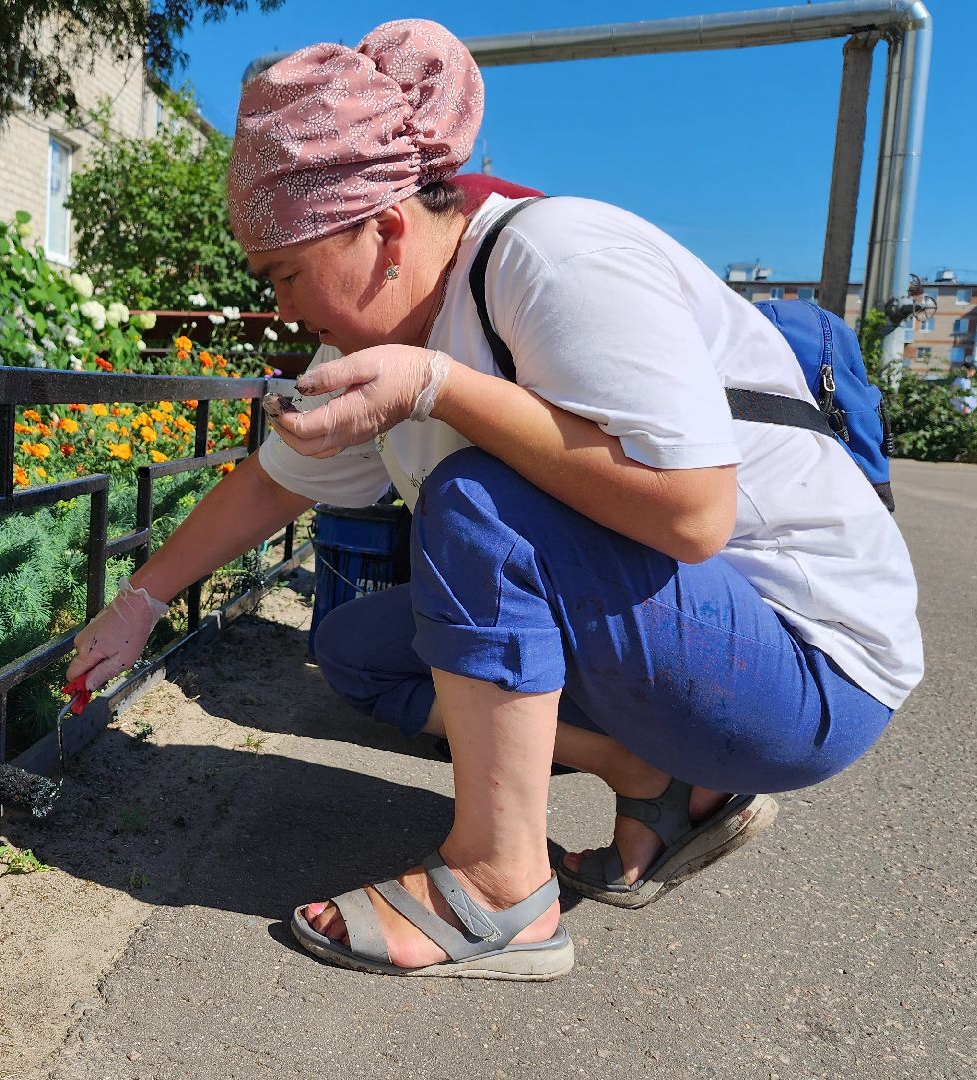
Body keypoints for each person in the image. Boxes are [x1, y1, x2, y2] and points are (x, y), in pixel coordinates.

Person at [65, 19, 922, 981]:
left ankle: (500, 889)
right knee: (355, 650)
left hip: (809, 668)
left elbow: (694, 516)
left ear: (384, 229)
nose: (285, 312)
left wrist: (443, 388)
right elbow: (271, 482)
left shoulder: (549, 258)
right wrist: (139, 602)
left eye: (287, 277)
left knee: (475, 497)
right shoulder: (385, 336)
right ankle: (650, 777)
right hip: (691, 638)